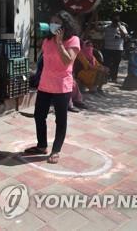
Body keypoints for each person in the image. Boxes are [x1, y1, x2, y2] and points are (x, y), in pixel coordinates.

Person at [24, 10, 80, 164]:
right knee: (39, 116)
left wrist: (60, 42)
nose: (53, 25)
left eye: (57, 22)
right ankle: (42, 146)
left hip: (62, 86)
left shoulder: (73, 40)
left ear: (65, 25)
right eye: (52, 22)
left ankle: (56, 150)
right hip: (45, 84)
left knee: (60, 120)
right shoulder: (47, 40)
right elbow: (43, 61)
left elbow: (67, 61)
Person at [103, 13, 128, 82]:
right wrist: (95, 18)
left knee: (116, 64)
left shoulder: (122, 27)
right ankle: (105, 78)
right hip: (108, 48)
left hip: (118, 49)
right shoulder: (107, 27)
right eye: (114, 20)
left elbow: (125, 36)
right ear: (112, 20)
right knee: (106, 64)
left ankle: (114, 78)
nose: (115, 21)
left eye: (117, 20)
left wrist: (119, 27)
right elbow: (97, 29)